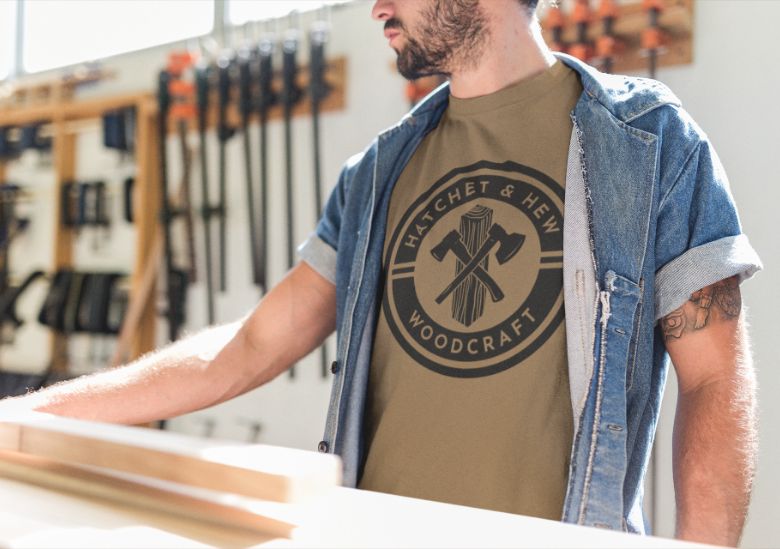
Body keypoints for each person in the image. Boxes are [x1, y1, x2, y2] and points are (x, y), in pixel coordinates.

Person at [0, 0, 762, 545]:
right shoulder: (376, 173)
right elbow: (246, 350)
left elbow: (713, 381)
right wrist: (31, 414)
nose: (374, 10)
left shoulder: (649, 142)